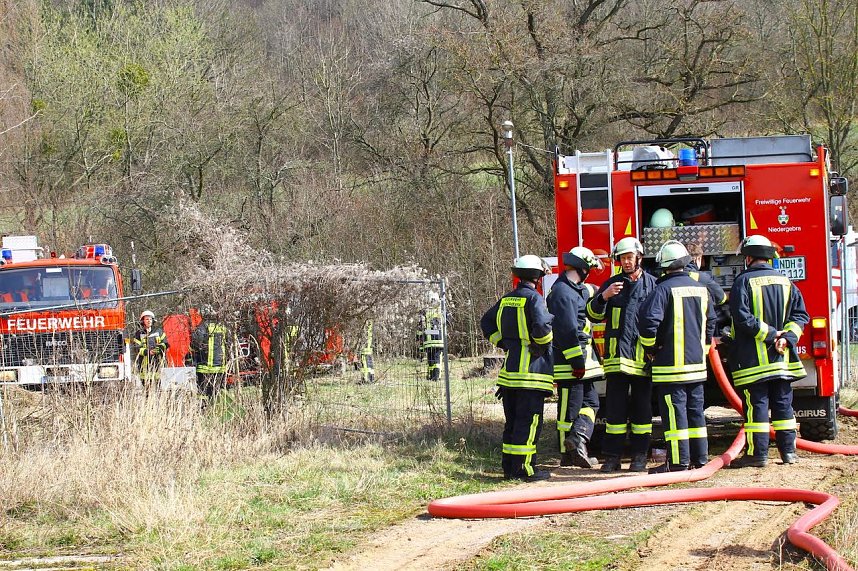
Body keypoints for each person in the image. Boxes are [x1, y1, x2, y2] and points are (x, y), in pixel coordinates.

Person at [726, 235, 809, 468]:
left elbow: (742, 318)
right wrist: (787, 338)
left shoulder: (743, 281)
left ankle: (757, 455)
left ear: (749, 257)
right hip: (781, 360)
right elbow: (800, 315)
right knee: (783, 405)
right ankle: (788, 452)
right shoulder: (786, 281)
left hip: (753, 362)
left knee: (757, 407)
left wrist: (771, 335)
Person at [638, 241, 716, 472]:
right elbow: (711, 321)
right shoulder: (701, 289)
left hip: (670, 368)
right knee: (695, 414)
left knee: (675, 416)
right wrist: (702, 349)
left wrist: (651, 349)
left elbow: (648, 323)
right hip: (696, 366)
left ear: (664, 264)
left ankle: (678, 463)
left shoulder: (662, 290)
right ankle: (700, 460)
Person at [586, 237, 657, 472]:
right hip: (616, 361)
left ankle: (639, 457)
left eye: (629, 258)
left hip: (643, 360)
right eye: (622, 258)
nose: (626, 262)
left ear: (639, 258)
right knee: (615, 413)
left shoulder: (653, 285)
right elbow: (593, 315)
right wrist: (603, 297)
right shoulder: (612, 285)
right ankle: (612, 458)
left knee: (642, 411)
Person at [480, 254, 554, 482]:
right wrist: (542, 344)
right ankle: (525, 470)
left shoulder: (506, 299)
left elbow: (486, 322)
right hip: (531, 374)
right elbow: (542, 327)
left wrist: (503, 342)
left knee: (512, 423)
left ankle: (510, 468)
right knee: (529, 423)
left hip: (509, 375)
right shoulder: (534, 299)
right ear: (538, 275)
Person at [546, 246, 604, 469]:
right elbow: (567, 331)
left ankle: (577, 439)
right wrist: (576, 361)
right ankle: (568, 454)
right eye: (589, 269)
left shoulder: (573, 289)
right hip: (571, 363)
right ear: (583, 268)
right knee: (568, 410)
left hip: (582, 362)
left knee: (591, 402)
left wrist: (603, 292)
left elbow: (588, 292)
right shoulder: (562, 293)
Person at [191, 306, 230, 404]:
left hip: (205, 366)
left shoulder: (203, 327)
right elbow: (228, 343)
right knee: (217, 391)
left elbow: (195, 343)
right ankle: (217, 407)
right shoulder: (222, 326)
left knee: (203, 392)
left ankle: (203, 408)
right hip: (220, 366)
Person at [132, 310, 169, 391]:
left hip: (158, 362)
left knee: (159, 386)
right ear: (143, 321)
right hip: (144, 364)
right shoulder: (138, 334)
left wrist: (159, 349)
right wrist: (147, 352)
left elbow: (166, 343)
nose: (149, 321)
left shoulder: (159, 331)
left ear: (153, 320)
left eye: (150, 319)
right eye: (147, 319)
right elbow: (136, 348)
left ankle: (158, 397)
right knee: (146, 387)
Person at [420, 292, 445, 381]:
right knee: (435, 361)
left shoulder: (425, 312)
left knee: (432, 360)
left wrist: (422, 338)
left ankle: (433, 376)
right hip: (438, 341)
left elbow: (421, 327)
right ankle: (435, 377)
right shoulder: (441, 310)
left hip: (429, 342)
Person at [359, 319, 375, 384]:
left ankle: (366, 380)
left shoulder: (365, 324)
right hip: (368, 351)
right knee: (369, 367)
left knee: (365, 367)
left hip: (365, 351)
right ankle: (371, 379)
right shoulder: (370, 322)